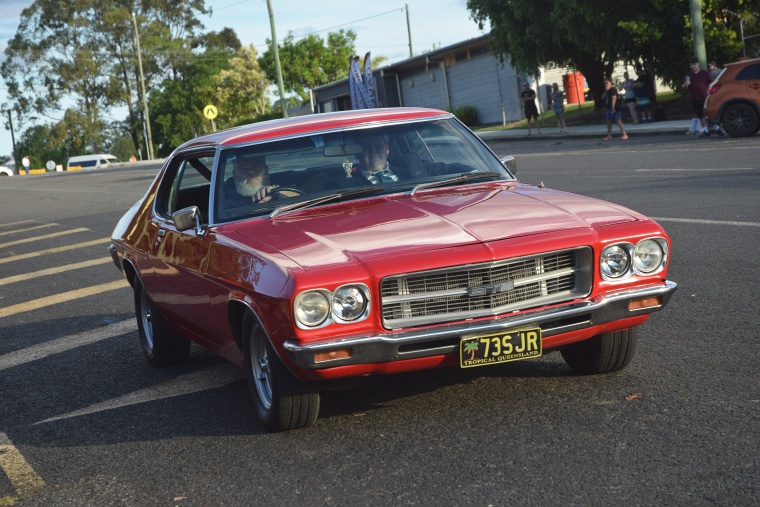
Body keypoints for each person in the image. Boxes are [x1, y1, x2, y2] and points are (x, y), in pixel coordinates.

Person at [221, 154, 295, 208]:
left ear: (266, 170)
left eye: (256, 167)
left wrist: (277, 192)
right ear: (234, 174)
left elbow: (300, 201)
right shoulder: (222, 200)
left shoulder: (284, 184)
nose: (251, 172)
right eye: (243, 168)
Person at [683, 56, 712, 138]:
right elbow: (684, 86)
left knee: (707, 114)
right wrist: (686, 85)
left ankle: (716, 128)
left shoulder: (704, 73)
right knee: (700, 115)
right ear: (690, 66)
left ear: (698, 64)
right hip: (694, 98)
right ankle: (706, 130)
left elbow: (710, 83)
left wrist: (709, 92)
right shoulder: (688, 75)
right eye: (692, 65)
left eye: (695, 64)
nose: (694, 66)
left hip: (705, 97)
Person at [706, 60, 725, 136]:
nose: (709, 67)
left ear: (713, 65)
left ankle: (715, 126)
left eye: (710, 66)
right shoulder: (721, 71)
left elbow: (710, 82)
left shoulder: (711, 73)